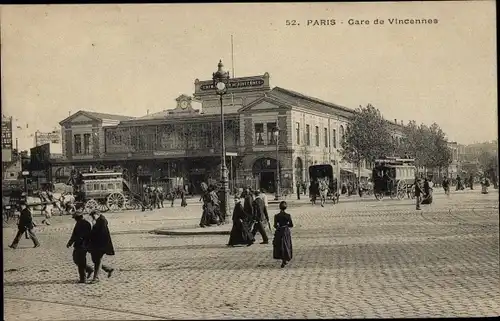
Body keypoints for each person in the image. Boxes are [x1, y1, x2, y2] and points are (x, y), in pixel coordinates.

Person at [88, 210, 115, 283]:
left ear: (97, 214)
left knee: (97, 260)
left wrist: (93, 226)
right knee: (95, 260)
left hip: (101, 245)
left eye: (93, 216)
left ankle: (96, 278)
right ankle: (108, 269)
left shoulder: (102, 221)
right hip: (98, 244)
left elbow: (98, 233)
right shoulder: (99, 221)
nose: (93, 218)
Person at [66, 212, 94, 283]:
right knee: (76, 259)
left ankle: (83, 278)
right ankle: (89, 269)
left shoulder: (86, 224)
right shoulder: (78, 223)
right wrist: (70, 242)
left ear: (78, 217)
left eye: (75, 218)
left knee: (81, 261)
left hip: (83, 245)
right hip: (78, 245)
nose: (75, 219)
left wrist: (82, 240)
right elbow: (74, 234)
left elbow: (87, 235)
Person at [273, 201, 294, 268]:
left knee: (280, 245)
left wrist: (279, 227)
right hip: (286, 231)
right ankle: (285, 258)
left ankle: (282, 258)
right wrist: (286, 225)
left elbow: (275, 225)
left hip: (279, 231)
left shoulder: (276, 216)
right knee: (286, 245)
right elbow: (291, 225)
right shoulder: (288, 215)